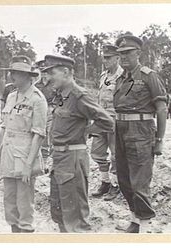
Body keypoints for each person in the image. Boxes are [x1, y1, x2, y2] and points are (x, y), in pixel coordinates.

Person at [42, 54, 115, 233]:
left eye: (52, 72)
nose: (48, 77)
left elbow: (107, 121)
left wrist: (86, 131)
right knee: (59, 212)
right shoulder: (61, 95)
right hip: (60, 158)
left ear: (66, 72)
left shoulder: (79, 96)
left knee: (75, 218)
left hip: (72, 159)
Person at [114, 35, 167, 233]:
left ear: (138, 53)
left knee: (139, 181)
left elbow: (161, 109)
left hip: (141, 131)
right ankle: (135, 220)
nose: (123, 57)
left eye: (128, 53)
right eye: (120, 54)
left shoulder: (148, 76)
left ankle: (144, 227)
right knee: (124, 179)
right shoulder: (120, 78)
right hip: (120, 130)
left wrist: (159, 140)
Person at [0, 55, 47, 233]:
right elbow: (4, 128)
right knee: (10, 204)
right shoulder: (11, 96)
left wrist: (28, 165)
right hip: (8, 155)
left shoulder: (37, 99)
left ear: (27, 76)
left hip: (24, 157)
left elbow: (39, 134)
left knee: (24, 206)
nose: (12, 76)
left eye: (16, 73)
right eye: (11, 72)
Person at [89, 44, 123, 201]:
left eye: (109, 58)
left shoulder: (123, 76)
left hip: (115, 120)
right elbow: (98, 99)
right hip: (101, 119)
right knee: (96, 152)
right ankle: (105, 182)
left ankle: (116, 186)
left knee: (116, 154)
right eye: (104, 58)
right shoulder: (103, 76)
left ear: (117, 57)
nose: (105, 61)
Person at [34, 60, 57, 161]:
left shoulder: (54, 84)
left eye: (45, 71)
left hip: (52, 109)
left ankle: (52, 153)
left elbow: (60, 97)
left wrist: (55, 107)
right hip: (40, 110)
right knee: (42, 132)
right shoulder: (36, 85)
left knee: (51, 131)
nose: (43, 74)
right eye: (41, 71)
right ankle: (44, 155)